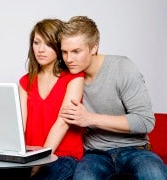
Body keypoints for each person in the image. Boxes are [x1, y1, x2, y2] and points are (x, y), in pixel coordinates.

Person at [58, 16, 167, 180]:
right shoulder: (69, 78)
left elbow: (145, 121)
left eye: (76, 52)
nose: (69, 59)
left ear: (94, 48)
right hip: (95, 154)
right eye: (64, 52)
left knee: (155, 175)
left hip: (135, 149)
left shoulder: (122, 67)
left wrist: (90, 119)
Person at [0, 18, 84, 180]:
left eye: (48, 44)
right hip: (29, 155)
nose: (40, 49)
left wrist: (39, 163)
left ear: (58, 46)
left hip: (62, 155)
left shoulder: (74, 78)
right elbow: (20, 124)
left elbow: (62, 123)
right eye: (36, 42)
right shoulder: (25, 81)